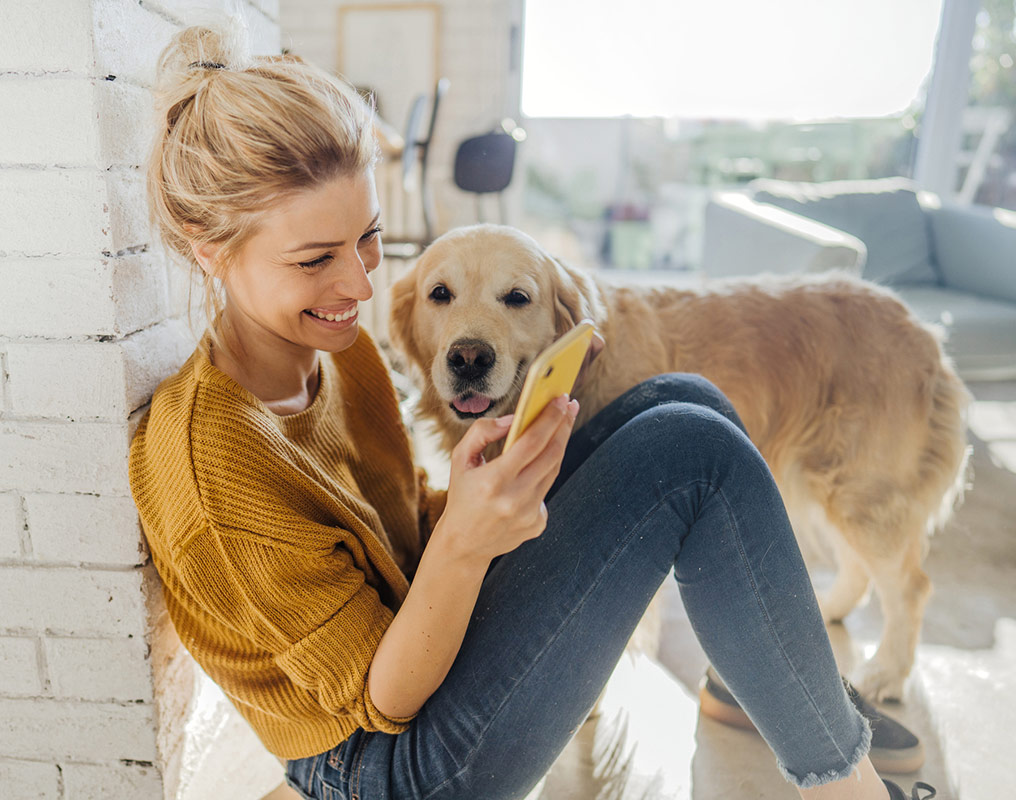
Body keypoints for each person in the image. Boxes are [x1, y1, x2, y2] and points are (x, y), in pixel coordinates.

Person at [129, 19, 937, 800]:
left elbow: (402, 524)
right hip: (387, 766)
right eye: (315, 259)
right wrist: (470, 542)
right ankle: (850, 791)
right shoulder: (216, 461)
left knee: (680, 403)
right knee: (688, 453)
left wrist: (476, 503)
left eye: (367, 239)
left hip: (426, 665)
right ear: (211, 250)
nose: (361, 286)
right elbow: (383, 699)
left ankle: (779, 698)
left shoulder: (338, 356)